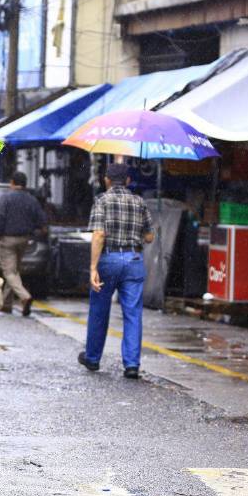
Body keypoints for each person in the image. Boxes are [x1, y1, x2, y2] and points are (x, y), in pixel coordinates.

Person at [79, 162, 155, 380]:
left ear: (107, 180)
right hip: (133, 259)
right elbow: (150, 237)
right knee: (132, 314)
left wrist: (93, 267)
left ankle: (93, 358)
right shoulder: (139, 202)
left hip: (109, 259)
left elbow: (99, 235)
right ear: (129, 181)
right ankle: (131, 365)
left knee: (99, 310)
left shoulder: (102, 200)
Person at [0, 171, 47, 316]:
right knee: (14, 271)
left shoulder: (6, 198)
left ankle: (24, 296)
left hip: (7, 240)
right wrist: (36, 232)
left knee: (9, 272)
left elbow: (0, 218)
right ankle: (7, 304)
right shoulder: (31, 199)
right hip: (24, 240)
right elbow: (42, 220)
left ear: (12, 182)